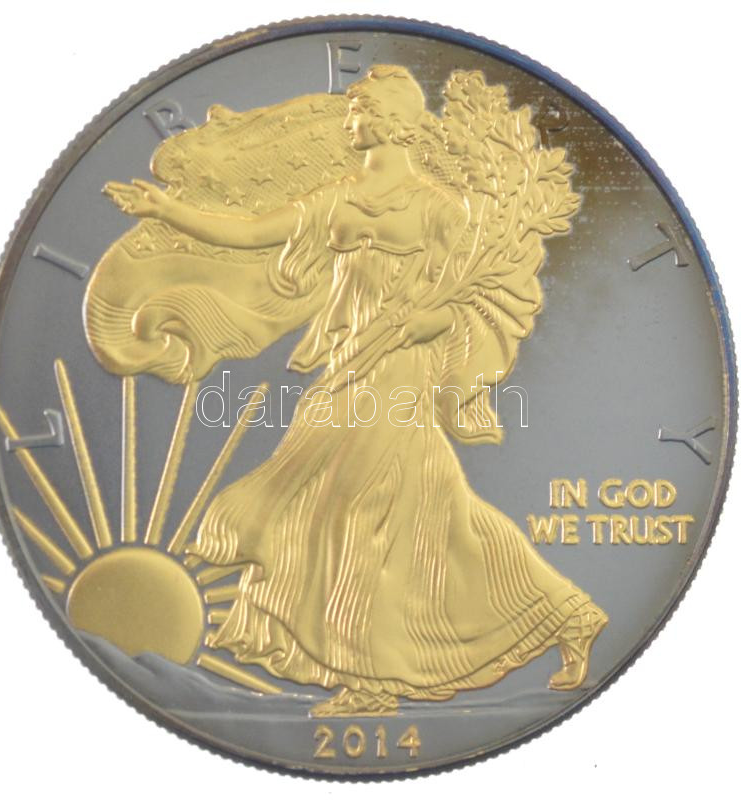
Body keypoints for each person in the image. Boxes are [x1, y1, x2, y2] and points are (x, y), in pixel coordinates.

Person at [104, 64, 606, 717]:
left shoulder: (439, 208)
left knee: (362, 505)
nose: (350, 120)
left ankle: (372, 679)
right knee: (425, 507)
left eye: (361, 108)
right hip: (350, 360)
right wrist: (167, 210)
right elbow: (253, 233)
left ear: (393, 122)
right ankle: (567, 615)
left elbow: (479, 294)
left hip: (401, 367)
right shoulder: (338, 198)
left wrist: (434, 320)